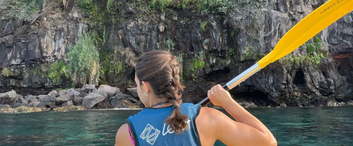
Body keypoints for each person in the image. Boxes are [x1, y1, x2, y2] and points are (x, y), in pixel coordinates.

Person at [115, 50, 277, 146]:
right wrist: (227, 103)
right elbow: (269, 142)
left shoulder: (127, 133)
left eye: (137, 84)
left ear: (146, 86)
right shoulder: (206, 119)